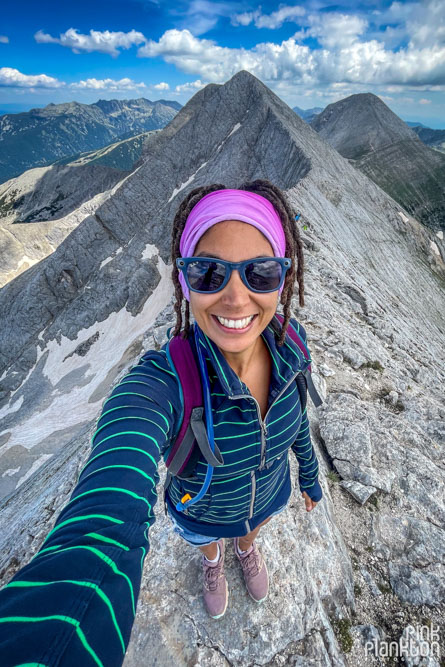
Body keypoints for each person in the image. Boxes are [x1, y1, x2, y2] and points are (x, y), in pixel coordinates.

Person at [0, 178, 323, 666]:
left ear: (284, 275)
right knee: (208, 540)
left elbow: (296, 418)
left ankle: (244, 548)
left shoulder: (292, 346)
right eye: (209, 272)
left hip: (268, 494)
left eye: (260, 272)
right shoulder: (164, 384)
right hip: (200, 513)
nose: (236, 298)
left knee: (251, 528)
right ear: (184, 279)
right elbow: (108, 505)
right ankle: (213, 561)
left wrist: (312, 477)